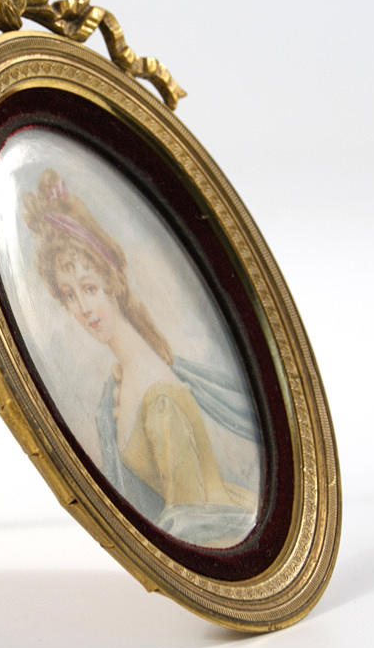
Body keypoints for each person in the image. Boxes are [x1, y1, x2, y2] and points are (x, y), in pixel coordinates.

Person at [23, 168, 260, 547]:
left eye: (89, 288)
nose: (83, 308)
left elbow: (195, 524)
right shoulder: (123, 378)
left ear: (113, 284)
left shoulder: (158, 393)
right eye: (69, 295)